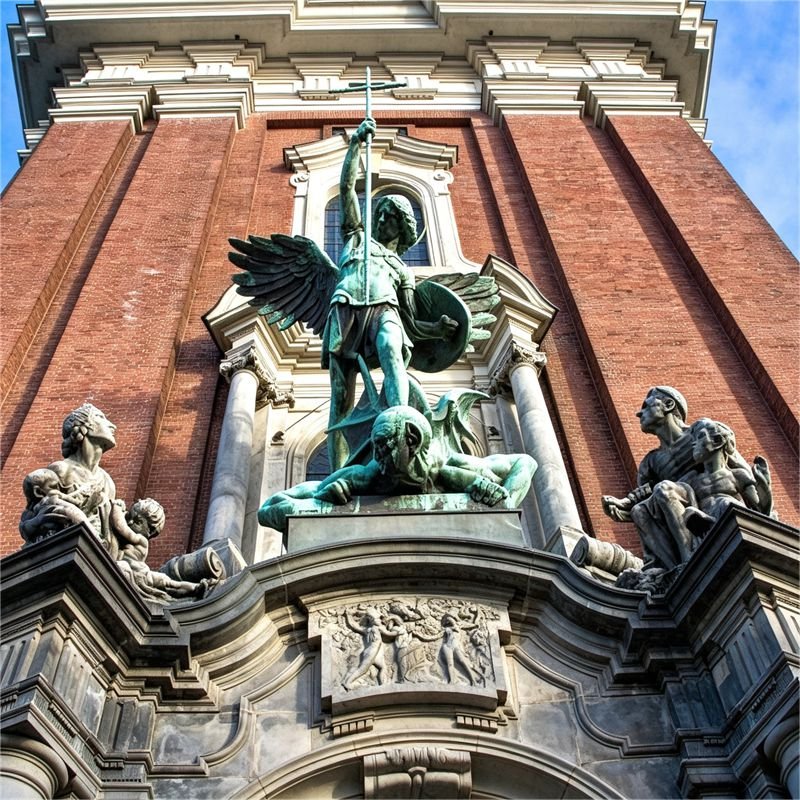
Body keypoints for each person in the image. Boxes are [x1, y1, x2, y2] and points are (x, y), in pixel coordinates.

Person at [324, 117, 458, 469]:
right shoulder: (356, 238)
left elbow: (411, 319)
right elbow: (347, 189)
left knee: (390, 347)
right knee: (340, 398)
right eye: (380, 214)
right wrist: (355, 145)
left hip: (385, 308)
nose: (382, 220)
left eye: (390, 217)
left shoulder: (401, 269)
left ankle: (400, 419)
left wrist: (440, 331)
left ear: (403, 227)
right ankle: (337, 472)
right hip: (345, 309)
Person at [259, 405, 536, 533]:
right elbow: (270, 508)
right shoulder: (367, 475)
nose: (376, 454)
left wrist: (504, 504)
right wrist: (322, 499)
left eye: (382, 444)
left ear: (412, 440)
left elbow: (526, 463)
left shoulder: (453, 468)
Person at [634, 419, 773, 568]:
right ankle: (686, 558)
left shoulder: (737, 475)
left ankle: (711, 530)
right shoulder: (693, 478)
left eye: (700, 437)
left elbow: (758, 508)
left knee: (726, 503)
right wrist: (635, 502)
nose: (693, 444)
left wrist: (764, 486)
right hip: (699, 524)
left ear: (717, 441)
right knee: (688, 513)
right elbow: (664, 493)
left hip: (729, 520)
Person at [19, 403, 120, 553]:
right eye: (100, 417)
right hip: (64, 549)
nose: (112, 426)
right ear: (85, 426)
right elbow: (36, 514)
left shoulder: (107, 482)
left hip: (98, 555)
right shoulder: (62, 470)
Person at [115, 498, 211, 603]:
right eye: (129, 517)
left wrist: (117, 508)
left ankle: (196, 588)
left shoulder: (141, 540)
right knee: (169, 583)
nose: (130, 522)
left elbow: (120, 527)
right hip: (138, 570)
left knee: (170, 584)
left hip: (140, 573)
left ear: (149, 531)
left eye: (137, 521)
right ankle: (195, 588)